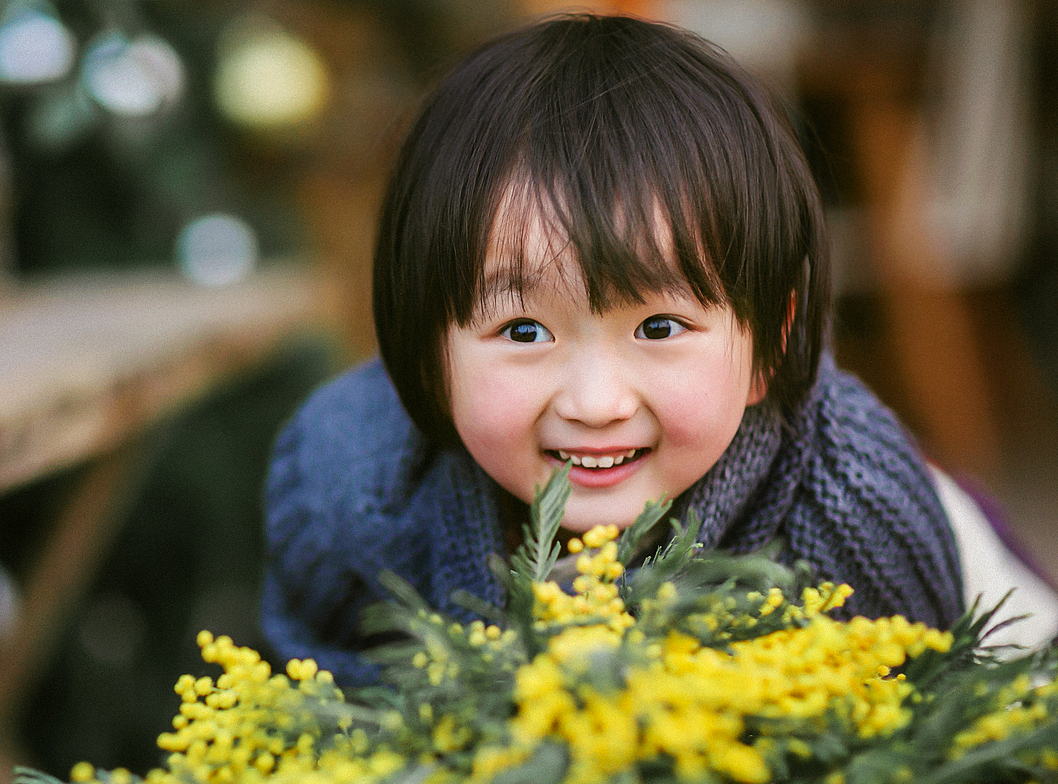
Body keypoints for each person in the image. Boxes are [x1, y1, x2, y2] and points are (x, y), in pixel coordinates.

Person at [261, 13, 964, 687]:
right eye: (524, 331)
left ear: (769, 345)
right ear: (427, 352)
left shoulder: (850, 515)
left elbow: (930, 736)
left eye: (659, 327)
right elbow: (320, 700)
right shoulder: (344, 478)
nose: (596, 404)